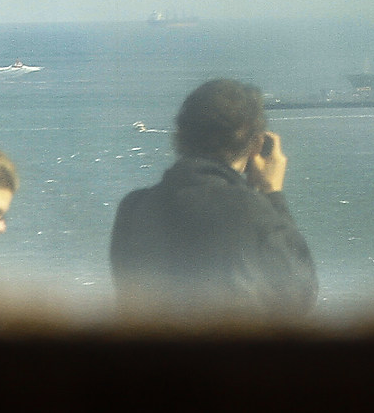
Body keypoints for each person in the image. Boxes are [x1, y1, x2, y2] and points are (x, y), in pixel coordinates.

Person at [110, 78, 318, 318]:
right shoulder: (253, 210)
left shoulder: (133, 207)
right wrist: (272, 195)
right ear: (258, 144)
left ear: (179, 136)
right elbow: (300, 297)